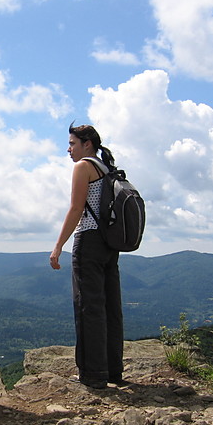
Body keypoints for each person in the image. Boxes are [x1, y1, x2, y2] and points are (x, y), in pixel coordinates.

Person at [49, 123, 125, 389]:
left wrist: (58, 246)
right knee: (110, 308)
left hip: (89, 240)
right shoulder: (107, 169)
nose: (68, 149)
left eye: (72, 143)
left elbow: (76, 208)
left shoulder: (83, 167)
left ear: (87, 144)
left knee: (88, 307)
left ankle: (92, 374)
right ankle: (113, 370)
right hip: (108, 244)